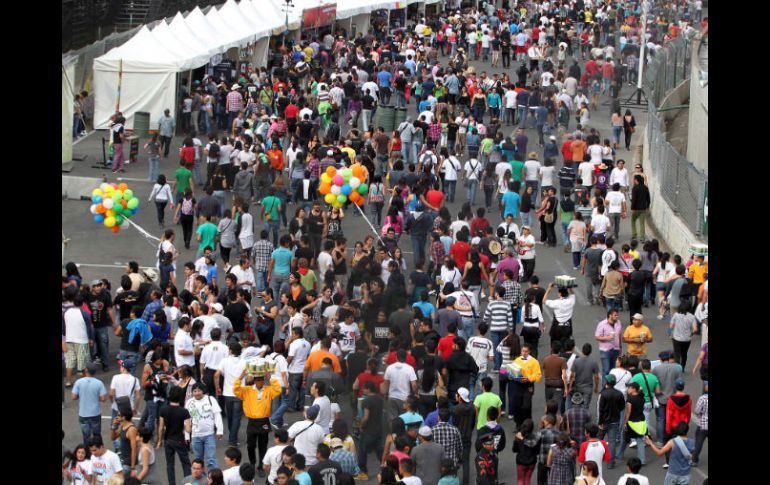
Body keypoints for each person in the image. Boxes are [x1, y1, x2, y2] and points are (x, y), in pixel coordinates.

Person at [234, 367, 282, 476]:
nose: (260, 382)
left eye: (262, 380)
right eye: (258, 380)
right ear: (255, 381)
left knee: (263, 445)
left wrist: (270, 378)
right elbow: (236, 390)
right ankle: (252, 463)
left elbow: (278, 390)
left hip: (264, 421)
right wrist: (241, 376)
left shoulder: (269, 389)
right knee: (250, 445)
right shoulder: (247, 390)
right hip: (252, 421)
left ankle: (261, 466)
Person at [185, 382, 224, 471]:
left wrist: (220, 431)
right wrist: (187, 436)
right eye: (194, 391)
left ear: (203, 391)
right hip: (195, 436)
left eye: (199, 390)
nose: (197, 393)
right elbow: (187, 420)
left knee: (211, 460)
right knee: (198, 461)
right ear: (192, 393)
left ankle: (213, 480)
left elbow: (217, 415)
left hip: (209, 435)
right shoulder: (189, 403)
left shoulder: (211, 399)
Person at [72, 363, 108, 445]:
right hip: (95, 413)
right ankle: (99, 451)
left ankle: (87, 453)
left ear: (86, 370)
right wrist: (95, 397)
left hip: (83, 414)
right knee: (97, 435)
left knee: (86, 436)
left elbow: (73, 397)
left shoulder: (78, 382)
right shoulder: (99, 383)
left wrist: (80, 395)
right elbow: (103, 399)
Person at [630, 175, 650, 241]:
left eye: (634, 180)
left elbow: (634, 199)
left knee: (633, 220)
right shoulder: (645, 188)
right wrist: (647, 206)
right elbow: (648, 198)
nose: (634, 181)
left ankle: (634, 234)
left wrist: (632, 207)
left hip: (636, 208)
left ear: (636, 180)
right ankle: (642, 237)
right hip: (643, 208)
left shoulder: (635, 188)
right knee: (642, 223)